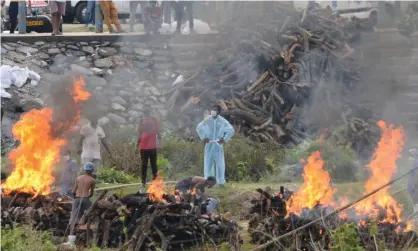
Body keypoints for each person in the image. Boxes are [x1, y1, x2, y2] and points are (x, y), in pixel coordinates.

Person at [196, 104, 235, 187]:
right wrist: (203, 138)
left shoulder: (222, 121)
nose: (213, 111)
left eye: (215, 110)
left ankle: (221, 182)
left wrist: (224, 139)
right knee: (208, 164)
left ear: (219, 112)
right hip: (209, 144)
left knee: (220, 164)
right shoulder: (207, 120)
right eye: (212, 109)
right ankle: (208, 182)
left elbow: (231, 130)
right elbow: (199, 128)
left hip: (218, 144)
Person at [66, 162, 96, 245]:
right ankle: (90, 237)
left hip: (77, 199)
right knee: (91, 215)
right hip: (86, 199)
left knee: (73, 218)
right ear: (92, 170)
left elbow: (73, 191)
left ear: (84, 169)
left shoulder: (78, 178)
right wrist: (88, 196)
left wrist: (72, 194)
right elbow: (91, 194)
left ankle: (71, 240)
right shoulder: (93, 180)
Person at [136, 106, 161, 187]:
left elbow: (158, 132)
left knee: (152, 165)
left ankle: (154, 182)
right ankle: (144, 182)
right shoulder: (142, 121)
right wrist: (137, 145)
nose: (146, 114)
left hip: (151, 147)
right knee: (145, 165)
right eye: (146, 113)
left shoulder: (154, 120)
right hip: (144, 147)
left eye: (147, 113)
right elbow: (140, 134)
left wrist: (160, 143)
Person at [407, 148, 418, 222]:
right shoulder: (414, 163)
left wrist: (415, 185)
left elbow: (416, 175)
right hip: (412, 185)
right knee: (414, 201)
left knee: (415, 201)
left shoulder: (416, 163)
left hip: (415, 185)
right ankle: (415, 216)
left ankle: (416, 217)